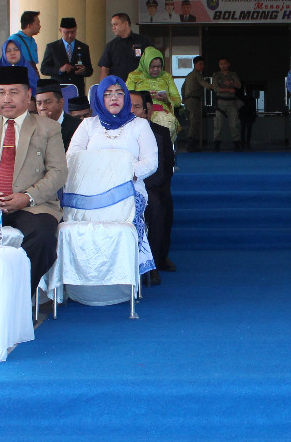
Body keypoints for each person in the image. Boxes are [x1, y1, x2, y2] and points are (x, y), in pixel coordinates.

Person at [0, 64, 66, 290]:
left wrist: (27, 197)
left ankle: (20, 293)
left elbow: (58, 171)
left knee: (44, 237)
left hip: (32, 206)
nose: (6, 99)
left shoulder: (48, 128)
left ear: (28, 95)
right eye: (1, 92)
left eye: (13, 92)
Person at [67, 77, 158, 287]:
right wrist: (102, 173)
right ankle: (89, 274)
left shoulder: (140, 125)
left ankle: (125, 275)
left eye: (119, 93)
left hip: (129, 189)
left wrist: (119, 174)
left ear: (126, 98)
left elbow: (151, 163)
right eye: (107, 94)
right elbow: (72, 158)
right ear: (100, 99)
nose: (113, 98)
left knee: (126, 213)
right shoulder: (88, 125)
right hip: (91, 191)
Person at [132, 90, 176, 281]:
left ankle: (154, 263)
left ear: (146, 109)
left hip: (150, 185)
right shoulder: (112, 131)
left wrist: (141, 185)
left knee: (157, 204)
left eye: (136, 106)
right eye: (128, 106)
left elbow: (163, 169)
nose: (131, 111)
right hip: (119, 187)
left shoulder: (159, 133)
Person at [126, 46, 182, 141]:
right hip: (140, 112)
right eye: (152, 67)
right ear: (145, 64)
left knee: (167, 125)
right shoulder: (134, 76)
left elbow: (178, 102)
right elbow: (127, 98)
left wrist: (166, 99)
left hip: (162, 112)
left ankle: (161, 150)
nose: (156, 69)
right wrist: (144, 95)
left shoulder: (166, 77)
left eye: (159, 66)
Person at [39, 16, 93, 97]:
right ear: (60, 30)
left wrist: (84, 70)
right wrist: (60, 70)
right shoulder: (52, 47)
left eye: (73, 32)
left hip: (77, 90)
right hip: (58, 90)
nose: (70, 35)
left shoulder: (83, 47)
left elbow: (90, 70)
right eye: (66, 32)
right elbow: (44, 69)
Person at [0, 39, 39, 116]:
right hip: (1, 112)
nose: (12, 53)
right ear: (4, 53)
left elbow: (37, 92)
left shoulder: (29, 70)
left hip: (27, 113)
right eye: (8, 51)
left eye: (16, 49)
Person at [97, 12, 153, 81]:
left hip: (140, 84)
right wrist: (103, 86)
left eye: (115, 24)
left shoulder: (144, 41)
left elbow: (153, 62)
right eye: (112, 25)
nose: (113, 28)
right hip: (118, 85)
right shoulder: (111, 45)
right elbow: (104, 69)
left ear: (126, 23)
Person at [208, 58, 243, 151]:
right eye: (221, 64)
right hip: (220, 103)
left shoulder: (233, 74)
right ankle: (216, 144)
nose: (223, 65)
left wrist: (231, 83)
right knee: (218, 125)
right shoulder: (216, 75)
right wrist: (228, 89)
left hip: (232, 102)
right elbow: (215, 88)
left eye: (224, 63)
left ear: (228, 64)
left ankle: (236, 143)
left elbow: (239, 85)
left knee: (234, 124)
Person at [180, 56, 207, 151]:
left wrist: (183, 99)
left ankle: (191, 142)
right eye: (200, 64)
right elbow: (203, 83)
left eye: (203, 64)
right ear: (195, 64)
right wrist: (213, 87)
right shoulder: (197, 74)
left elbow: (183, 88)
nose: (202, 66)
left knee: (191, 122)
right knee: (195, 122)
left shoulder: (189, 75)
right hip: (194, 100)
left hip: (188, 101)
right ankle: (191, 143)